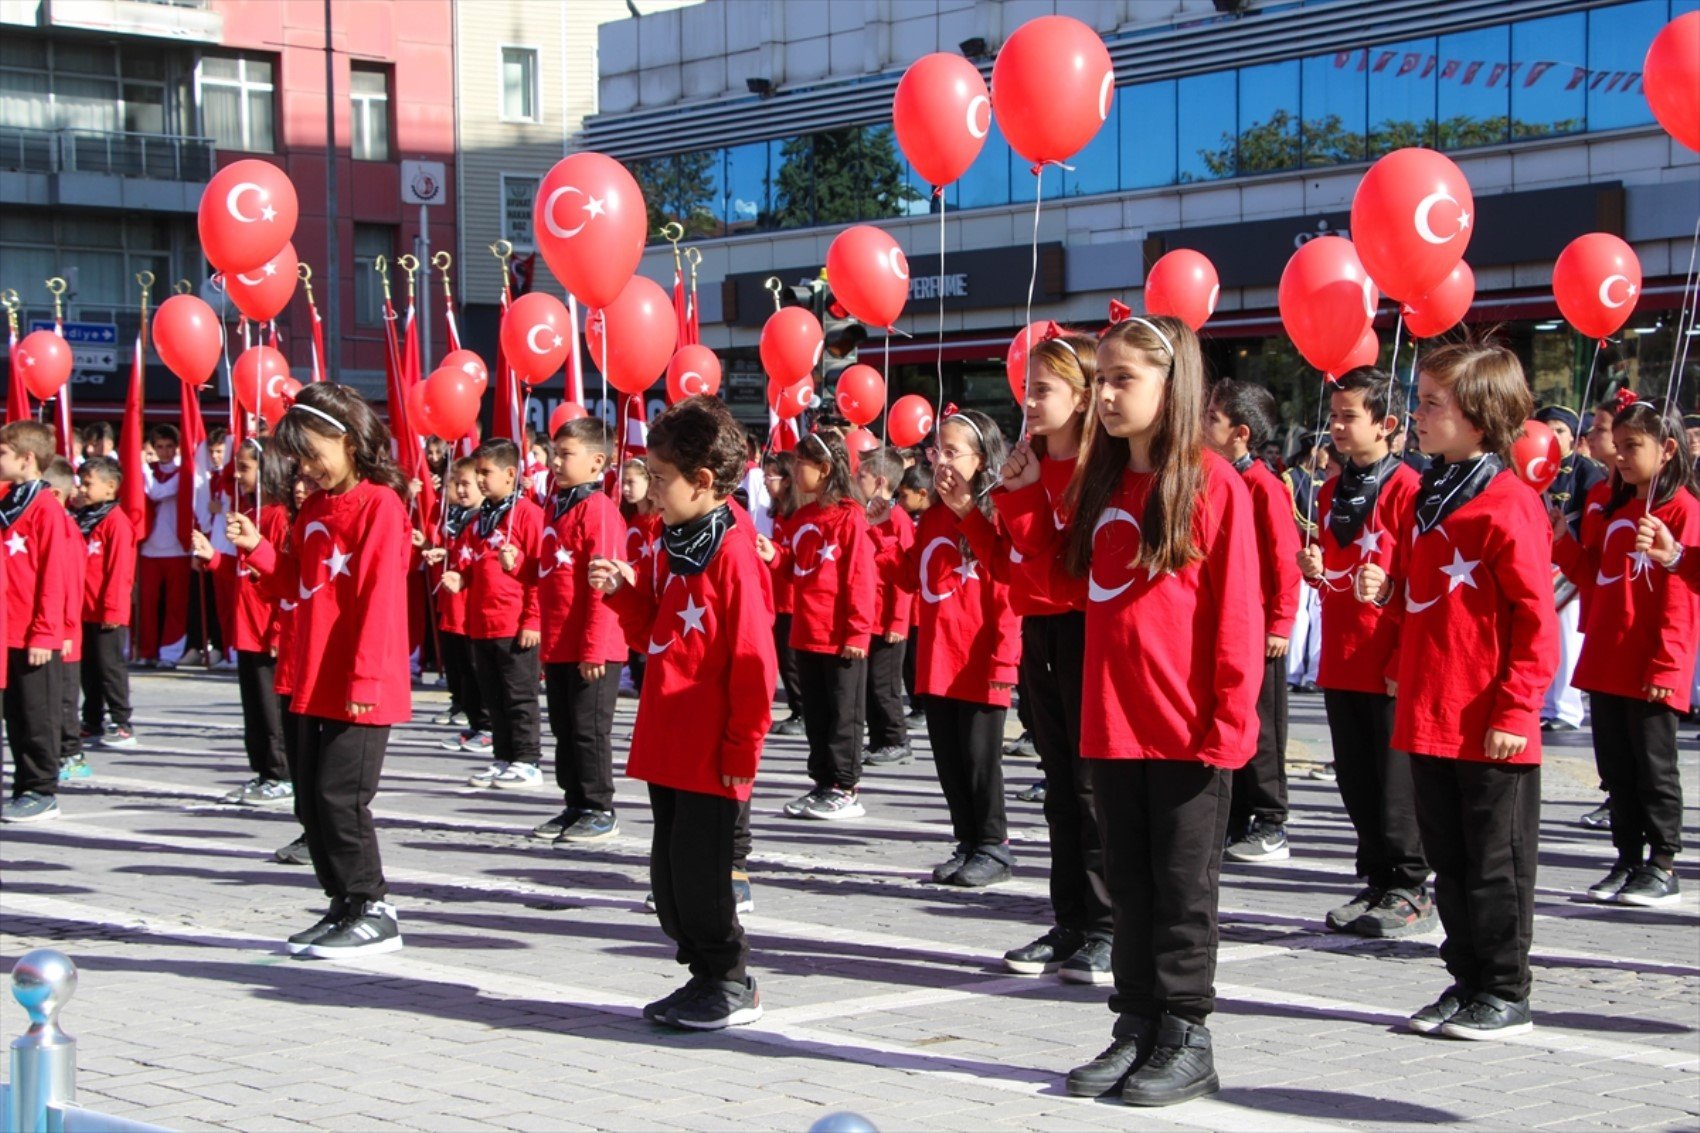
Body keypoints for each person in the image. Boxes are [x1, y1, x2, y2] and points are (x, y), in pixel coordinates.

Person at [1000, 313, 1261, 1106]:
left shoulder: (1214, 483)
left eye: (1123, 380)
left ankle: (1187, 1032)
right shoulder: (1103, 484)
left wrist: (1228, 721)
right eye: (1101, 379)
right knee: (1131, 885)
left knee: (1182, 893)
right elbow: (1055, 585)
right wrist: (1016, 501)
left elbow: (1237, 612)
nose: (1104, 396)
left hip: (1185, 732)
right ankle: (1136, 1021)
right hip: (1111, 725)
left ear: (1171, 385)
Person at [1357, 341, 1558, 1040]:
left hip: (1487, 718)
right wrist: (1390, 631)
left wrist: (1516, 705)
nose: (1416, 413)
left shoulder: (1509, 502)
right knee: (1450, 860)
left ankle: (1504, 986)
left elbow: (1536, 618)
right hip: (1430, 707)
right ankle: (1466, 975)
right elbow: (1415, 592)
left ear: (1478, 415)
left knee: (1494, 864)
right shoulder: (1427, 493)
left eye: (1432, 403)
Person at [591, 395, 777, 1030]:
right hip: (667, 736)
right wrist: (623, 594)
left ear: (702, 481)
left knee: (702, 881)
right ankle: (700, 972)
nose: (649, 495)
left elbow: (756, 663)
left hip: (709, 750)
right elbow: (657, 636)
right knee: (669, 882)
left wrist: (739, 752)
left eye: (661, 480)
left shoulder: (734, 552)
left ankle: (728, 978)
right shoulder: (676, 541)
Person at [228, 383, 413, 956]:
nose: (307, 468)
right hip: (307, 674)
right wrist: (258, 548)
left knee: (339, 798)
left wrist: (364, 680)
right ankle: (343, 905)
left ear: (348, 439)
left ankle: (374, 908)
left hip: (358, 681)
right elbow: (294, 586)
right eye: (299, 458)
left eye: (313, 453)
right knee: (308, 801)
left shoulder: (380, 505)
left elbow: (381, 599)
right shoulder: (313, 506)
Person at [993, 332, 1114, 983]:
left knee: (1092, 789)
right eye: (1027, 387)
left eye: (1043, 389)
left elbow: (1072, 566)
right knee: (1060, 788)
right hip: (1038, 632)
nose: (1029, 400)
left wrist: (1032, 496)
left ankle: (1106, 924)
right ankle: (1070, 920)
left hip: (1085, 631)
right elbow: (1006, 560)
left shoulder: (1101, 470)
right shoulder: (1028, 461)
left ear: (1083, 396)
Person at [1296, 369, 1431, 937]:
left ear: (1389, 425)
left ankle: (1410, 885)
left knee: (1394, 781)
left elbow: (1420, 581)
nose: (1337, 428)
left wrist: (1402, 655)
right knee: (1355, 778)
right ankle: (1376, 877)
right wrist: (1316, 572)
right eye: (1334, 416)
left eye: (1350, 417)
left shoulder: (1408, 488)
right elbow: (1339, 573)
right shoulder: (1329, 491)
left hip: (1389, 659)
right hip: (1344, 655)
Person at [1552, 400, 1697, 907]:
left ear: (1668, 448)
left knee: (1654, 768)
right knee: (1616, 769)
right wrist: (1561, 539)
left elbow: (1683, 599)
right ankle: (1627, 858)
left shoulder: (1682, 512)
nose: (1620, 456)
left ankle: (1663, 863)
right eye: (1618, 446)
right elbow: (1594, 575)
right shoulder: (1613, 504)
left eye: (1633, 446)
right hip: (1608, 654)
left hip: (1651, 661)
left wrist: (1668, 664)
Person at [883, 409, 1020, 887]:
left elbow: (1008, 592)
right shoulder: (934, 514)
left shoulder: (997, 509)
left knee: (981, 763)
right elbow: (911, 578)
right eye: (935, 450)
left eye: (952, 451)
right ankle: (967, 840)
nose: (939, 460)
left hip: (980, 658)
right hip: (938, 656)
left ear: (981, 460)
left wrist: (1005, 660)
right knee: (949, 760)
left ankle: (994, 845)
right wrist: (884, 528)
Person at [755, 431, 877, 821]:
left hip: (840, 637)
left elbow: (860, 578)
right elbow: (798, 567)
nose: (793, 472)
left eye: (800, 465)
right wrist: (775, 554)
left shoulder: (850, 517)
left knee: (844, 715)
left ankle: (845, 785)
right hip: (807, 632)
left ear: (824, 470)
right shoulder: (803, 516)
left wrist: (858, 633)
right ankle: (823, 782)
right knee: (818, 714)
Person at [1206, 380, 1301, 865]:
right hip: (1228, 627)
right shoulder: (1212, 478)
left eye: (1213, 419)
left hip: (1259, 629)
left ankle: (1271, 820)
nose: (1202, 426)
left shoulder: (1262, 485)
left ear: (1240, 433)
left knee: (1264, 727)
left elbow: (1285, 560)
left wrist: (1280, 624)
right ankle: (1239, 815)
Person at [527, 416, 627, 844]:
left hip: (592, 646)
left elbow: (602, 590)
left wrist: (593, 648)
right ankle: (574, 803)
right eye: (554, 452)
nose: (555, 461)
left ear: (597, 462)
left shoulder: (599, 511)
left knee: (588, 730)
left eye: (566, 454)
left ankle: (600, 806)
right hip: (559, 641)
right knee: (564, 728)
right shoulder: (558, 505)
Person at [193, 439, 294, 807]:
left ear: (267, 470)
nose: (235, 474)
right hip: (247, 627)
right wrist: (213, 558)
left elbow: (286, 579)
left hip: (268, 628)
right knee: (254, 708)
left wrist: (281, 630)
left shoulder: (281, 517)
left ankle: (282, 774)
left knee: (272, 710)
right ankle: (265, 771)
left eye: (245, 467)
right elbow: (241, 572)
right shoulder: (250, 511)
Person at [442, 439, 544, 790]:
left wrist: (533, 619)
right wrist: (459, 576)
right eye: (479, 473)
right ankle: (503, 757)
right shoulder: (481, 519)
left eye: (487, 473)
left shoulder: (527, 514)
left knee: (518, 696)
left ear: (511, 474)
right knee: (493, 695)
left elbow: (538, 571)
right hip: (481, 624)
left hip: (513, 623)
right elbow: (471, 562)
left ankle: (527, 760)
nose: (481, 480)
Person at [0, 421, 73, 823]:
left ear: (27, 460)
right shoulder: (6, 499)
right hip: (5, 626)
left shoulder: (46, 508)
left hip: (32, 630)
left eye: (2, 453)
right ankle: (23, 786)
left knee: (35, 713)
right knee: (15, 713)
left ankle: (41, 788)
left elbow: (54, 574)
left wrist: (46, 631)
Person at [1532, 405, 1606, 734]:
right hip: (1540, 556)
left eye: (1561, 430)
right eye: (1548, 429)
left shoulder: (1585, 470)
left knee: (1565, 635)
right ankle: (1545, 701)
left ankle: (1566, 706)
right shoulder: (1531, 465)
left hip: (1569, 559)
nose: (1553, 436)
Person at [424, 458, 491, 753]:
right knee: (459, 667)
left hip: (470, 609)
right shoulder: (460, 519)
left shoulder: (483, 520)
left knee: (478, 672)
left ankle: (487, 727)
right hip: (451, 607)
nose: (461, 491)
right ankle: (473, 722)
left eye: (466, 484)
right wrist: (436, 552)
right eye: (457, 485)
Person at [73, 456, 137, 752]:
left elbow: (120, 571)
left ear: (110, 487)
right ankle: (92, 719)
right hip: (83, 609)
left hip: (106, 611)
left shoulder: (116, 523)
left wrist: (113, 609)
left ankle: (122, 722)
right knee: (89, 668)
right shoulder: (82, 519)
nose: (82, 489)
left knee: (110, 667)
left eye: (88, 484)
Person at [857, 446, 916, 767]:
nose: (856, 479)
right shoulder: (866, 514)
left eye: (862, 475)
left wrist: (898, 621)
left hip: (887, 620)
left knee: (884, 686)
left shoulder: (898, 519)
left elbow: (905, 578)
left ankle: (896, 738)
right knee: (868, 685)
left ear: (879, 481)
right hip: (868, 617)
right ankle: (879, 739)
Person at [137, 423, 198, 668]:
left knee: (175, 605)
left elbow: (157, 492)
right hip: (149, 547)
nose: (164, 452)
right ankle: (146, 650)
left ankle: (170, 653)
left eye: (169, 447)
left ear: (177, 448)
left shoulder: (184, 472)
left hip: (177, 548)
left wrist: (141, 466)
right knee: (148, 603)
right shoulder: (147, 471)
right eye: (159, 447)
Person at [762, 452, 807, 737]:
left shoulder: (798, 515)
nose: (766, 481)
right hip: (777, 597)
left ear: (788, 481)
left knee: (792, 662)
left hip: (793, 599)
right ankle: (796, 708)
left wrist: (773, 552)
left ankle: (803, 710)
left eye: (772, 477)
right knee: (784, 659)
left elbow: (797, 556)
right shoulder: (777, 513)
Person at [619, 457, 660, 697]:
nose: (625, 489)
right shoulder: (630, 519)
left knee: (648, 668)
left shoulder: (658, 521)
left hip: (650, 603)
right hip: (633, 604)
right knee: (636, 666)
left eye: (631, 482)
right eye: (623, 482)